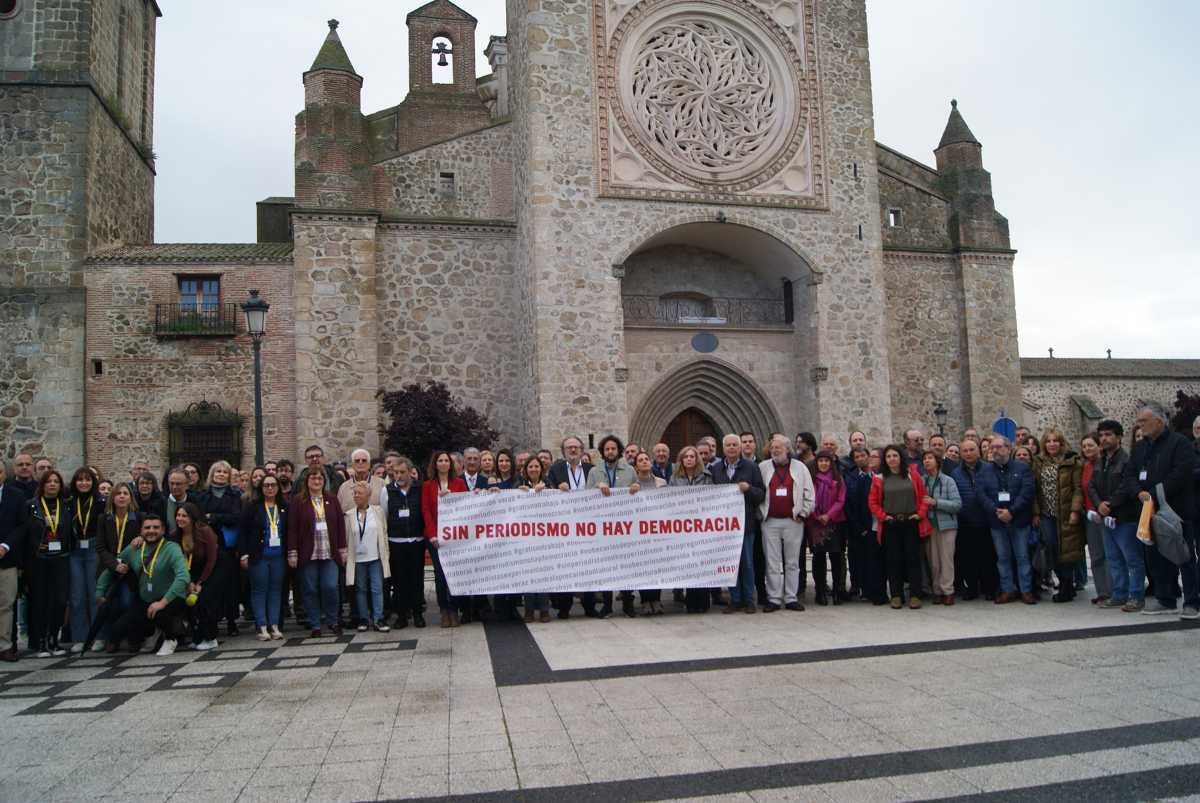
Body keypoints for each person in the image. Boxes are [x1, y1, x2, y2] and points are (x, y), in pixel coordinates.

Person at [1112, 403, 1197, 617]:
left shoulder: (1180, 443)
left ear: (1158, 422)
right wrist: (1139, 493)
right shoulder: (1141, 447)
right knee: (1156, 557)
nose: (1139, 425)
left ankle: (1192, 602)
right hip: (1149, 511)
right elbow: (1130, 474)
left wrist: (1155, 492)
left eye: (1143, 421)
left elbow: (1181, 473)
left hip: (1177, 511)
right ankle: (1165, 599)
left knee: (1183, 556)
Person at [95, 514, 191, 656]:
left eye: (156, 527)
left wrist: (163, 603)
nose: (151, 530)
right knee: (119, 628)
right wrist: (99, 591)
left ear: (163, 530)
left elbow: (184, 576)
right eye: (147, 527)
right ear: (141, 530)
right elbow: (113, 566)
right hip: (146, 599)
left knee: (159, 612)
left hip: (171, 598)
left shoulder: (172, 548)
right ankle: (155, 631)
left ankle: (172, 637)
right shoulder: (134, 548)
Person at [287, 467, 347, 637]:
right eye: (313, 478)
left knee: (330, 587)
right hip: (308, 553)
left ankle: (332, 621)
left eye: (320, 478)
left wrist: (343, 550)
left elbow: (340, 526)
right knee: (310, 589)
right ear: (307, 481)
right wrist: (293, 552)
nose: (317, 481)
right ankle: (315, 624)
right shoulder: (299, 501)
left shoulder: (332, 499)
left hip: (329, 552)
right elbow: (292, 528)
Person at [977, 435, 1037, 604]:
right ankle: (1007, 589)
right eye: (993, 447)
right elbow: (981, 495)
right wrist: (996, 511)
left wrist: (1011, 511)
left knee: (1022, 556)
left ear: (1008, 449)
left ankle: (1026, 590)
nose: (995, 450)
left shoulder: (1022, 468)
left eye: (999, 447)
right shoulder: (985, 470)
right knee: (1002, 558)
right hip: (997, 522)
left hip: (1019, 520)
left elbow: (1027, 493)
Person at [868, 446, 930, 609]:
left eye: (895, 455)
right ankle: (896, 595)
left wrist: (920, 514)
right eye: (888, 456)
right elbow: (873, 502)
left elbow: (924, 497)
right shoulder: (879, 478)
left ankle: (915, 595)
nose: (892, 459)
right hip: (891, 523)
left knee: (913, 559)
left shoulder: (913, 475)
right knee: (893, 560)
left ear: (901, 457)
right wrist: (883, 516)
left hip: (911, 521)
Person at [1090, 420, 1142, 611]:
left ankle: (1136, 596)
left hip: (1125, 517)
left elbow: (1126, 487)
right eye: (1102, 435)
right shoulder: (1099, 460)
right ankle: (1119, 594)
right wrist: (1099, 505)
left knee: (1132, 559)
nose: (1104, 439)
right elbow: (1092, 486)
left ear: (1119, 437)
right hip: (1107, 519)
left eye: (1108, 435)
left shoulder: (1127, 460)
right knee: (1113, 559)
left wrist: (1109, 504)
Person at [586, 435, 640, 617]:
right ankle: (607, 604)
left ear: (619, 451)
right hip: (603, 527)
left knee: (627, 565)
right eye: (607, 449)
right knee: (606, 566)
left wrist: (636, 487)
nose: (610, 452)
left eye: (613, 449)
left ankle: (627, 602)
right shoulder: (594, 472)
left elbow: (638, 488)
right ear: (603, 452)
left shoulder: (630, 470)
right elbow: (585, 498)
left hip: (625, 526)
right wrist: (596, 488)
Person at [714, 434, 765, 613]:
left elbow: (761, 494)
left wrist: (749, 489)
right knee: (730, 564)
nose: (732, 448)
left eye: (735, 444)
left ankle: (749, 599)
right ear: (723, 448)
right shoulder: (716, 469)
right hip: (724, 527)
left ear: (740, 447)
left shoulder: (751, 467)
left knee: (747, 563)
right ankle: (735, 599)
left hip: (746, 525)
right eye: (728, 445)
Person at [1032, 428, 1084, 603]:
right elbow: (1035, 489)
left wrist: (1075, 510)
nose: (1052, 444)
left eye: (1055, 441)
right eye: (1048, 441)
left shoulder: (1072, 461)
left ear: (1061, 443)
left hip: (1066, 512)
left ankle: (1067, 586)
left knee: (1067, 551)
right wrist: (1036, 512)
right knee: (1052, 548)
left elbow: (1078, 488)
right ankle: (1063, 582)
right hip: (1047, 513)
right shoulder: (1038, 462)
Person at [27, 470, 72, 656]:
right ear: (42, 485)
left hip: (60, 557)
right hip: (39, 559)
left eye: (56, 482)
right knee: (40, 601)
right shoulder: (31, 506)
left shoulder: (66, 506)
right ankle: (41, 641)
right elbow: (27, 534)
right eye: (49, 481)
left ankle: (54, 637)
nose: (52, 484)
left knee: (60, 600)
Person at [546, 436, 592, 619]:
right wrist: (557, 487)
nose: (573, 450)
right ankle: (564, 607)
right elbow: (548, 491)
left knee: (588, 566)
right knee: (566, 567)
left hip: (587, 526)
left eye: (576, 447)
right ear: (563, 451)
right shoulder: (556, 469)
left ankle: (589, 606)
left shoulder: (591, 469)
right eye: (569, 447)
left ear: (582, 450)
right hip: (565, 526)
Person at [197, 461, 243, 637]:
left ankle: (232, 621)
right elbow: (201, 518)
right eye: (218, 471)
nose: (221, 474)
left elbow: (236, 517)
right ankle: (212, 620)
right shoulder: (203, 496)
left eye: (225, 472)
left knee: (230, 585)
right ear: (212, 474)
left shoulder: (235, 495)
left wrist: (214, 517)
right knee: (210, 585)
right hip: (208, 545)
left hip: (227, 545)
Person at [422, 451, 468, 627]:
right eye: (440, 460)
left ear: (451, 464)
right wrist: (432, 534)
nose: (443, 463)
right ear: (435, 464)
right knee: (440, 576)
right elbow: (426, 510)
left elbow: (466, 506)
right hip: (435, 538)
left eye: (446, 460)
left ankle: (455, 609)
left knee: (454, 575)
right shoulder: (428, 486)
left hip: (454, 538)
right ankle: (444, 610)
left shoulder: (459, 483)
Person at [239, 473, 287, 640]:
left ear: (278, 487)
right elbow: (243, 531)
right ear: (261, 488)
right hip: (259, 555)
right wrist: (244, 554)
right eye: (266, 485)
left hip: (279, 556)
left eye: (273, 485)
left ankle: (274, 625)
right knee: (259, 590)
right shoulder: (252, 506)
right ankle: (262, 626)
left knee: (275, 590)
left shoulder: (284, 506)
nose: (270, 488)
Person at [380, 457, 426, 629]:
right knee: (399, 580)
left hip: (416, 539)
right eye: (395, 473)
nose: (398, 476)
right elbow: (384, 516)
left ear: (410, 472)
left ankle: (417, 613)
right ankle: (401, 615)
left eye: (402, 472)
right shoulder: (387, 491)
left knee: (416, 578)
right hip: (396, 541)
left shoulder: (420, 488)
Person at [670, 446, 716, 612]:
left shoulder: (707, 477)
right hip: (683, 528)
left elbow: (712, 499)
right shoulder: (675, 479)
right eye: (686, 457)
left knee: (701, 563)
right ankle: (691, 600)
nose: (689, 459)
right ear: (681, 460)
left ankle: (703, 600)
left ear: (697, 459)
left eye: (692, 456)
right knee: (688, 564)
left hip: (701, 527)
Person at [95, 482, 140, 652]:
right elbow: (100, 547)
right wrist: (114, 564)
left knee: (127, 603)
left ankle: (130, 636)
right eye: (118, 493)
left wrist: (140, 539)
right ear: (112, 498)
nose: (121, 496)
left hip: (130, 570)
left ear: (130, 498)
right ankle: (112, 638)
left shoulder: (138, 517)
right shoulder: (104, 519)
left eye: (125, 493)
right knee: (110, 605)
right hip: (109, 567)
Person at [171, 502, 222, 650]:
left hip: (211, 569)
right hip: (189, 572)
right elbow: (179, 561)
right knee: (189, 602)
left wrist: (200, 582)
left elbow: (212, 559)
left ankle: (211, 637)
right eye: (178, 515)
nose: (180, 518)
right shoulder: (175, 535)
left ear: (192, 517)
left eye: (184, 516)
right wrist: (189, 582)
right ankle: (197, 636)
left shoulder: (205, 531)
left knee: (204, 600)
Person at [952, 438, 998, 601]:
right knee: (967, 557)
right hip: (965, 521)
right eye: (965, 451)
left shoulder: (989, 469)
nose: (968, 453)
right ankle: (971, 588)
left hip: (986, 520)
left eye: (972, 450)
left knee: (988, 556)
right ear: (961, 454)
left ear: (978, 451)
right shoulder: (956, 473)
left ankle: (989, 588)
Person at [345, 481, 390, 632]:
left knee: (377, 588)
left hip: (375, 557)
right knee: (361, 589)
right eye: (355, 493)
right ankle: (363, 618)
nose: (356, 496)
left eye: (359, 493)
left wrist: (386, 554)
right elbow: (347, 537)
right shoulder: (350, 515)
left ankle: (378, 618)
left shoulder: (378, 512)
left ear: (368, 495)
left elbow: (383, 533)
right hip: (358, 559)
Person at [67, 467, 102, 651]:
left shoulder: (100, 502)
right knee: (77, 595)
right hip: (75, 550)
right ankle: (80, 637)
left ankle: (98, 636)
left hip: (93, 548)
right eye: (80, 479)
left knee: (95, 593)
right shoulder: (68, 502)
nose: (84, 483)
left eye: (87, 479)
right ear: (75, 482)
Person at [516, 455, 554, 623]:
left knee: (543, 575)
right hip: (525, 538)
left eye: (536, 466)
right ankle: (529, 610)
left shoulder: (549, 485)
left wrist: (546, 491)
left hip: (544, 538)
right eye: (530, 467)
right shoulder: (519, 485)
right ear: (525, 469)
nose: (533, 469)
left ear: (541, 468)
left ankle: (544, 610)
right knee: (528, 576)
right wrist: (521, 494)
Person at [922, 450, 962, 605]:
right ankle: (936, 590)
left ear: (937, 461)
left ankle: (948, 590)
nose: (927, 461)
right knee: (933, 561)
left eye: (930, 458)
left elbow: (957, 504)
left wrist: (936, 502)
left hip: (947, 526)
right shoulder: (922, 480)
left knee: (946, 559)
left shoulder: (948, 481)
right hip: (929, 526)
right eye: (925, 459)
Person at [844, 446, 882, 604]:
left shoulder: (878, 477)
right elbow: (849, 504)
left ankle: (872, 589)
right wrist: (859, 527)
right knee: (856, 559)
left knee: (873, 560)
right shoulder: (849, 477)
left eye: (863, 455)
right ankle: (857, 587)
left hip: (875, 524)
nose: (860, 459)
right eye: (857, 457)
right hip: (857, 526)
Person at [631, 450, 668, 616]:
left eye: (647, 459)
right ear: (636, 465)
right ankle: (645, 600)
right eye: (641, 460)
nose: (644, 461)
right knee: (643, 567)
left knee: (657, 566)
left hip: (657, 530)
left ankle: (656, 599)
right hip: (639, 531)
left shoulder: (662, 482)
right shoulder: (632, 484)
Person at [808, 451, 846, 606]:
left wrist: (828, 515)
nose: (823, 463)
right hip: (816, 523)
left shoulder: (838, 479)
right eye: (821, 461)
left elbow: (841, 500)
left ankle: (838, 591)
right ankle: (821, 591)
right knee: (818, 558)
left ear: (831, 463)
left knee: (836, 557)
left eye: (826, 461)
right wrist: (817, 516)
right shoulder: (811, 480)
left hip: (834, 522)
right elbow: (808, 498)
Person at [0, 460, 29, 662]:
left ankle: (5, 646)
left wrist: (5, 546)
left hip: (6, 559)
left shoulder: (16, 496)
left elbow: (22, 526)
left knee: (6, 605)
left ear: (4, 474)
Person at [1079, 432, 1111, 605]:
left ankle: (1114, 590)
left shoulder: (1105, 464)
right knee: (1096, 555)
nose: (1087, 449)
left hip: (1104, 515)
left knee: (1110, 555)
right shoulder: (1085, 466)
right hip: (1090, 516)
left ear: (1099, 446)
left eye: (1090, 445)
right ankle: (1103, 592)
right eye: (1084, 446)